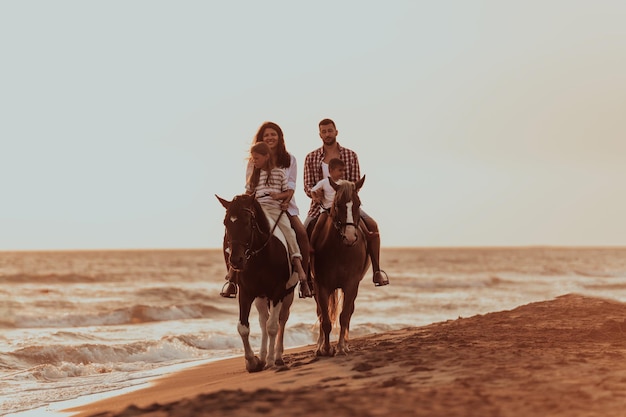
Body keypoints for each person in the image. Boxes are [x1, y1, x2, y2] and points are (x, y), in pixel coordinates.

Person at [221, 122, 313, 298]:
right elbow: (249, 188)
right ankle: (233, 278)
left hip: (282, 206)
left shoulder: (289, 159)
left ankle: (305, 279)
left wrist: (284, 201)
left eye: (274, 134)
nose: (270, 138)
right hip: (257, 207)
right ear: (261, 139)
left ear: (279, 137)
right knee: (230, 234)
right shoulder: (253, 163)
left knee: (301, 234)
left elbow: (291, 186)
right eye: (266, 135)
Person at [303, 118, 389, 287]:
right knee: (303, 232)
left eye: (330, 130)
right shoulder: (311, 157)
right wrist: (314, 194)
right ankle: (306, 279)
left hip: (347, 206)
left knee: (372, 226)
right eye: (324, 131)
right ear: (319, 134)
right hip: (320, 207)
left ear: (336, 132)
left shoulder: (350, 155)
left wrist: (344, 196)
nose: (327, 134)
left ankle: (377, 271)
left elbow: (356, 182)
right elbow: (307, 185)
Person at [308, 158, 345, 249]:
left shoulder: (343, 184)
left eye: (343, 170)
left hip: (338, 209)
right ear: (331, 171)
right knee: (319, 225)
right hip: (326, 209)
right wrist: (315, 198)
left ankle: (365, 234)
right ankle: (311, 245)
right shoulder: (324, 182)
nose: (342, 173)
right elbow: (312, 190)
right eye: (340, 170)